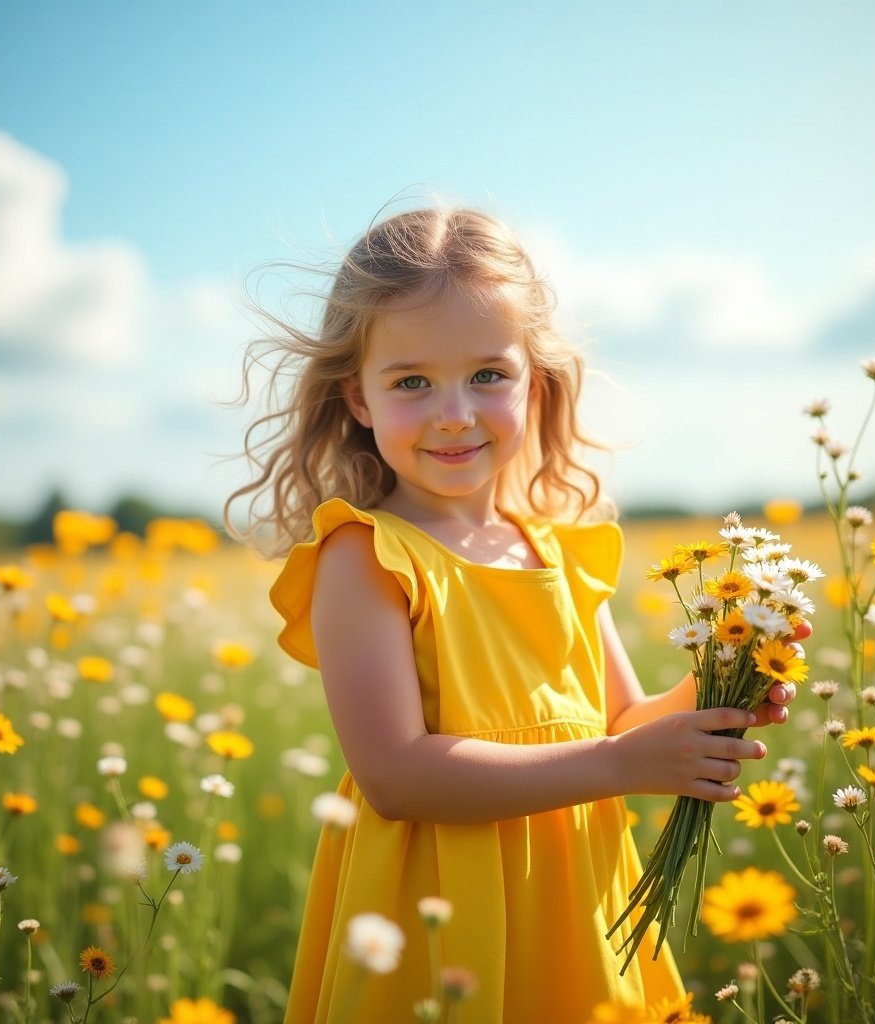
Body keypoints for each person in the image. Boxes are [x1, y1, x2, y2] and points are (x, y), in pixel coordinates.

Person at [226, 206, 799, 1023]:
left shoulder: (558, 552)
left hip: (573, 900)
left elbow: (623, 719)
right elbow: (394, 774)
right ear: (356, 396)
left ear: (537, 380)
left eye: (488, 375)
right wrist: (619, 764)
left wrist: (716, 692)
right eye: (411, 381)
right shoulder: (366, 556)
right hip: (435, 913)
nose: (454, 412)